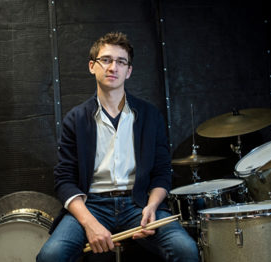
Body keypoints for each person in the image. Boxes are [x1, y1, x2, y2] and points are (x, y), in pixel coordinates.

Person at [37, 32, 199, 262]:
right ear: (92, 66)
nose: (113, 67)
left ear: (129, 71)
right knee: (50, 256)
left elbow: (162, 173)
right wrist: (90, 224)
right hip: (91, 204)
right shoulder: (76, 119)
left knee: (186, 250)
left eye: (121, 61)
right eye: (106, 60)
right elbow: (64, 180)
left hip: (139, 202)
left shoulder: (150, 116)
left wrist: (152, 207)